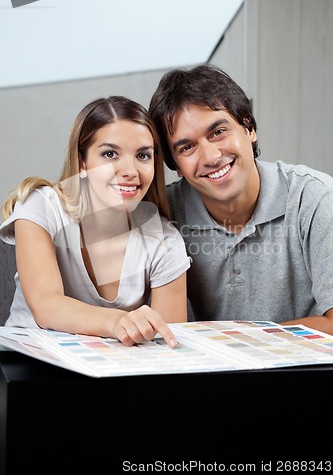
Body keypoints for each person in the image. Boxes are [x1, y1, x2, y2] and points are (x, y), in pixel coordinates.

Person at [149, 63, 333, 334]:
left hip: (303, 374)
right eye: (187, 147)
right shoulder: (163, 213)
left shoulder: (314, 198)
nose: (211, 157)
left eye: (218, 132)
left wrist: (238, 339)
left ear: (248, 127)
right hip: (205, 372)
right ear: (175, 164)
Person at [0, 96, 191, 347]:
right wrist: (116, 322)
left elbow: (170, 342)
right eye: (110, 153)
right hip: (27, 369)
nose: (130, 171)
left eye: (143, 156)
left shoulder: (164, 241)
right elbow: (46, 306)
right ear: (82, 162)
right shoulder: (42, 206)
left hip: (115, 374)